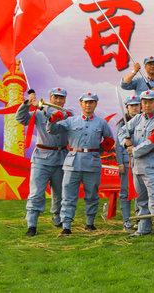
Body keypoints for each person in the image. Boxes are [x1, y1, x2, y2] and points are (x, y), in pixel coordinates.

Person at [47, 92, 115, 236]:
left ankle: (90, 223)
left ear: (95, 104)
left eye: (91, 102)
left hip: (92, 162)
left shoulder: (101, 123)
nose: (88, 105)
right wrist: (52, 120)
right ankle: (66, 226)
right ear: (81, 104)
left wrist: (97, 151)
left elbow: (109, 140)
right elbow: (52, 130)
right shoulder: (72, 121)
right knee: (68, 195)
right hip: (73, 162)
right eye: (85, 102)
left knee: (92, 195)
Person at [17, 87, 71, 236]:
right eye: (55, 97)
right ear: (50, 98)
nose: (58, 100)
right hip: (41, 159)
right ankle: (32, 224)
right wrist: (28, 103)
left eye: (61, 98)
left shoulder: (68, 112)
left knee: (60, 192)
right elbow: (20, 119)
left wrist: (40, 106)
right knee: (36, 193)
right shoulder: (38, 113)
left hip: (61, 158)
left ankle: (57, 217)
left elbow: (58, 116)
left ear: (65, 99)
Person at [123, 90, 154, 243]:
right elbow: (122, 130)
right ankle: (143, 228)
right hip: (137, 165)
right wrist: (125, 141)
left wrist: (133, 150)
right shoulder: (137, 119)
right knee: (141, 199)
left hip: (153, 165)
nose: (147, 104)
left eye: (150, 101)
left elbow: (153, 141)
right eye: (144, 101)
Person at [115, 95, 141, 231]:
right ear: (127, 108)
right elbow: (118, 145)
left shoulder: (144, 120)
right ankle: (127, 221)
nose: (135, 107)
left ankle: (139, 219)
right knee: (125, 192)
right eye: (132, 105)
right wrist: (120, 163)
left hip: (140, 160)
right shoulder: (122, 123)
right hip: (126, 162)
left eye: (137, 105)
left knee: (140, 192)